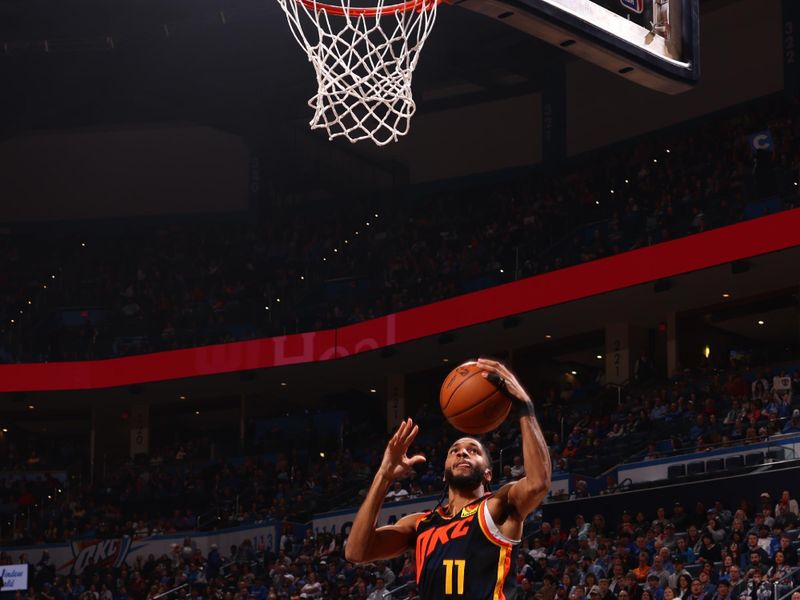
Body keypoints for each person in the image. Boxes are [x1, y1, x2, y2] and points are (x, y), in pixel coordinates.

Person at [345, 358, 552, 600]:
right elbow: (356, 552)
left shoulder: (497, 507)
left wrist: (525, 406)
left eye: (473, 451)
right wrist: (383, 476)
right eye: (454, 450)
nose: (463, 452)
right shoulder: (420, 524)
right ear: (445, 471)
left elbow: (538, 483)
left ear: (488, 472)